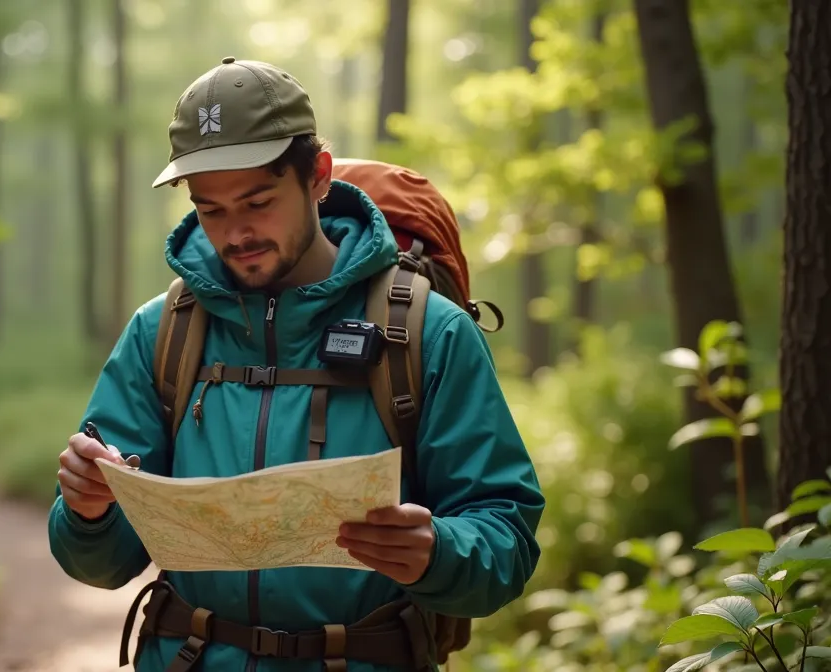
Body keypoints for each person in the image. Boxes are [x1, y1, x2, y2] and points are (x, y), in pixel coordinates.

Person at [47, 56, 545, 672]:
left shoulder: (427, 331)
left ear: (317, 177)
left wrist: (438, 551)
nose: (236, 233)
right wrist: (88, 511)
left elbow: (507, 536)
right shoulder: (164, 331)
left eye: (258, 201)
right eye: (212, 209)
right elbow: (101, 564)